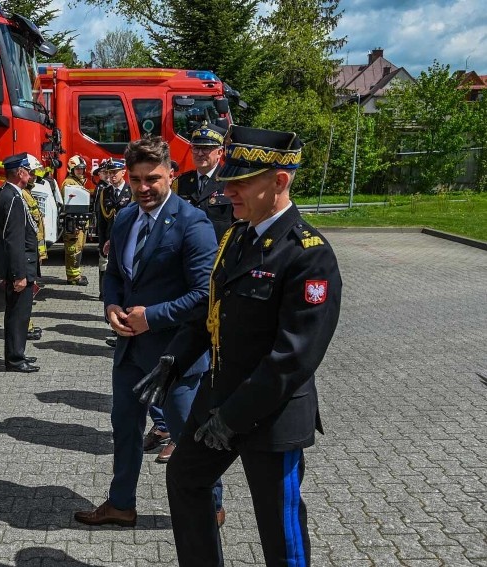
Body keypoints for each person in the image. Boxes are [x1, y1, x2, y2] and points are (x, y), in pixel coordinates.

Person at [161, 125, 342, 566]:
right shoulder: (237, 238)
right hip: (218, 399)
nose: (228, 191)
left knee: (280, 528)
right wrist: (175, 357)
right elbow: (214, 310)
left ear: (279, 181)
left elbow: (292, 357)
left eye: (241, 182)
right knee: (185, 479)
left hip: (270, 415)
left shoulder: (308, 254)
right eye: (227, 181)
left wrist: (232, 418)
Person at [73, 137, 217, 527]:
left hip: (175, 357)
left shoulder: (193, 223)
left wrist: (151, 316)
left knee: (189, 437)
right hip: (129, 353)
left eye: (152, 178)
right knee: (125, 430)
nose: (143, 188)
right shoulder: (124, 218)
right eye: (135, 179)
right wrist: (111, 306)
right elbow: (117, 275)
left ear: (171, 173)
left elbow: (205, 295)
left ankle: (210, 506)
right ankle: (121, 504)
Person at [0, 153, 41, 373]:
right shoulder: (11, 198)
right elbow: (13, 241)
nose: (31, 175)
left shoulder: (15, 195)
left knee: (21, 315)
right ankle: (14, 359)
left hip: (23, 266)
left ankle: (18, 353)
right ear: (20, 172)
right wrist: (19, 274)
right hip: (21, 268)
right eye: (28, 171)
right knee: (17, 315)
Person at [176, 124, 234, 242]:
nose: (200, 153)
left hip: (218, 253)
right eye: (196, 148)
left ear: (219, 152)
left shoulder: (230, 182)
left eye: (206, 148)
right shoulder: (181, 182)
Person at [93, 158, 131, 307]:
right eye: (110, 172)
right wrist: (101, 243)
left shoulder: (131, 191)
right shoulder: (105, 193)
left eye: (115, 172)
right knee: (107, 272)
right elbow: (102, 221)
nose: (112, 175)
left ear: (123, 172)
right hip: (109, 239)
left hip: (126, 240)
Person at [21, 154, 48, 342]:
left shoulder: (27, 194)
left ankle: (26, 325)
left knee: (30, 292)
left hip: (33, 254)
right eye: (32, 174)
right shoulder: (21, 195)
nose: (35, 178)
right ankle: (24, 327)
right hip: (27, 255)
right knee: (24, 293)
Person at [60, 155, 90, 286]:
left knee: (78, 247)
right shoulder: (69, 183)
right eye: (78, 169)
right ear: (71, 170)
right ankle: (73, 277)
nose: (80, 171)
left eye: (82, 169)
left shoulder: (77, 182)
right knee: (73, 248)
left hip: (78, 222)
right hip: (73, 223)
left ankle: (76, 273)